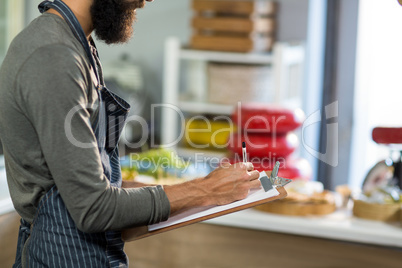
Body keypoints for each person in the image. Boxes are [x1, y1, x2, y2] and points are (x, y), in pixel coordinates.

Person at [0, 0, 261, 267]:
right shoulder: (52, 56)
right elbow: (94, 208)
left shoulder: (75, 43)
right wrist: (206, 190)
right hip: (62, 255)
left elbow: (95, 185)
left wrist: (200, 189)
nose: (146, 1)